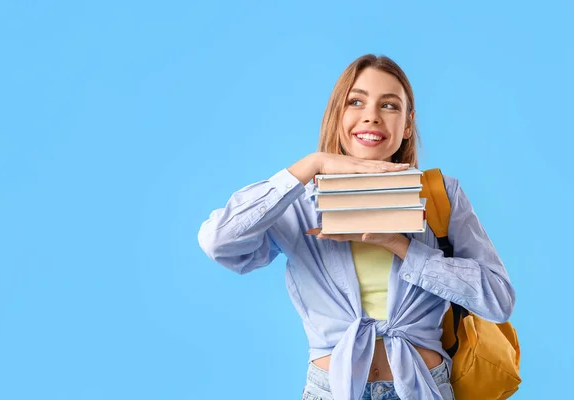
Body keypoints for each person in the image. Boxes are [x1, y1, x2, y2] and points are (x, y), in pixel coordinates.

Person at [197, 54, 515, 400]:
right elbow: (219, 242)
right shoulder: (300, 201)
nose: (371, 115)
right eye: (356, 101)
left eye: (389, 105)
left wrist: (400, 244)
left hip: (423, 387)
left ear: (408, 125)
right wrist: (312, 165)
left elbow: (498, 301)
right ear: (337, 116)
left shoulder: (440, 195)